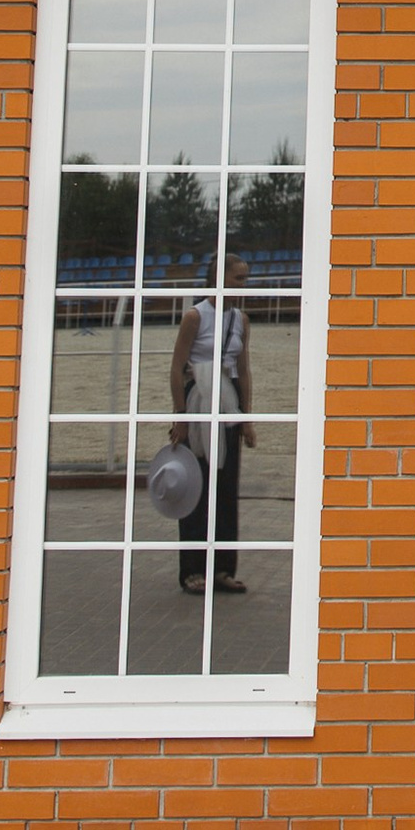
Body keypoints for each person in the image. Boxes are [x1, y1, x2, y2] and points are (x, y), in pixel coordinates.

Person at [169, 252, 253, 599]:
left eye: (245, 279)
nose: (243, 286)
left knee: (226, 485)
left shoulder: (241, 320)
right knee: (196, 485)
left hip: (227, 398)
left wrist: (246, 418)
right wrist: (181, 417)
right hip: (198, 398)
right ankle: (191, 569)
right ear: (218, 279)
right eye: (238, 279)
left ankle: (222, 568)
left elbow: (243, 369)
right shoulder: (195, 316)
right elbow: (176, 368)